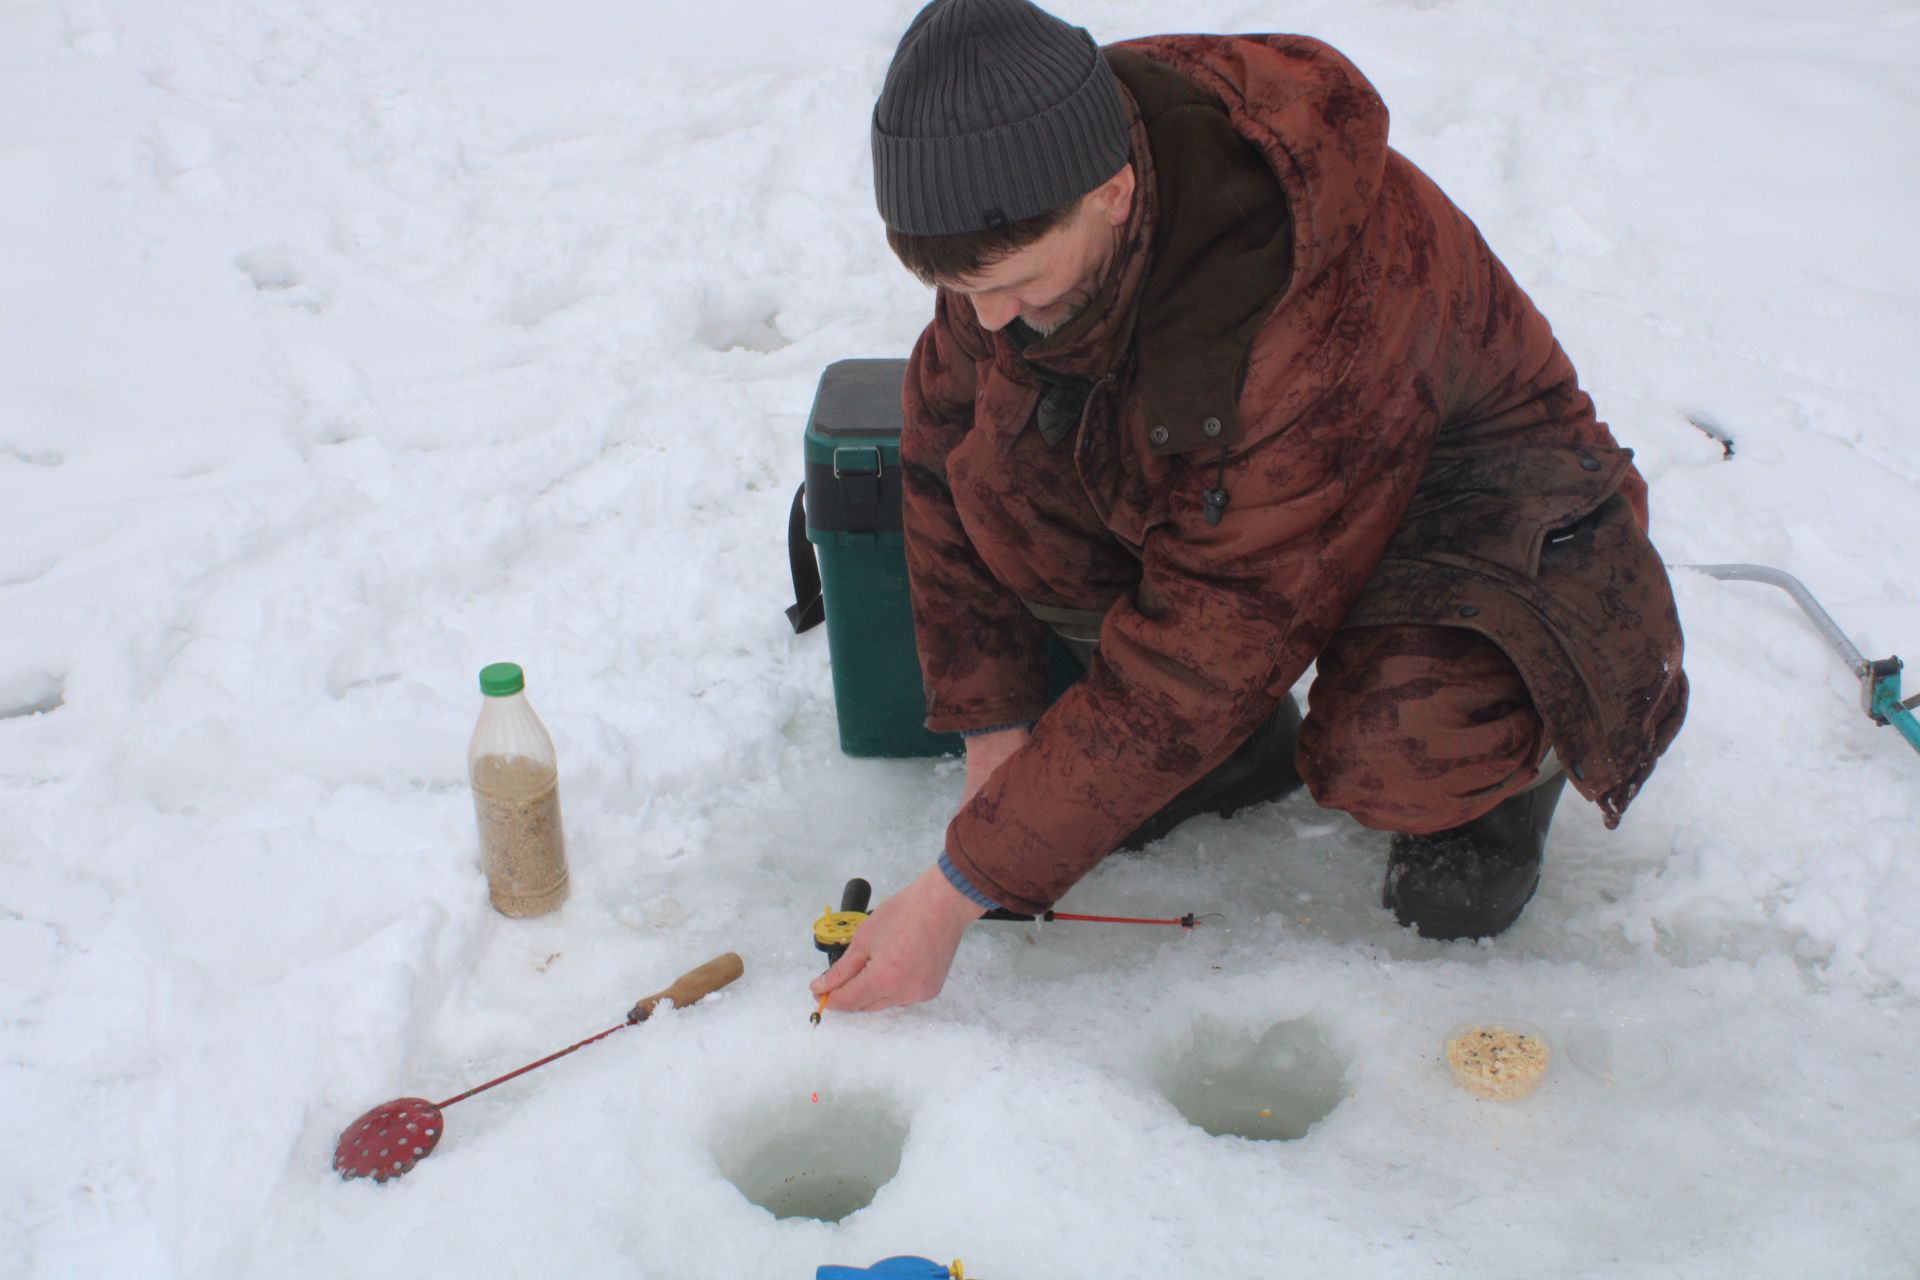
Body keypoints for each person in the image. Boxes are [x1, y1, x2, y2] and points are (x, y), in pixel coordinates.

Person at [812, 0, 1687, 1013]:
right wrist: (995, 727)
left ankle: (1502, 779)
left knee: (1401, 745)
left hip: (1468, 501)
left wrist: (957, 889)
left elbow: (1205, 651)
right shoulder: (1022, 185)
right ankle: (1232, 755)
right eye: (963, 290)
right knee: (999, 467)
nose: (989, 316)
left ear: (1113, 192)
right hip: (1256, 491)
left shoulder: (1311, 309)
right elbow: (937, 447)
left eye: (1012, 283)